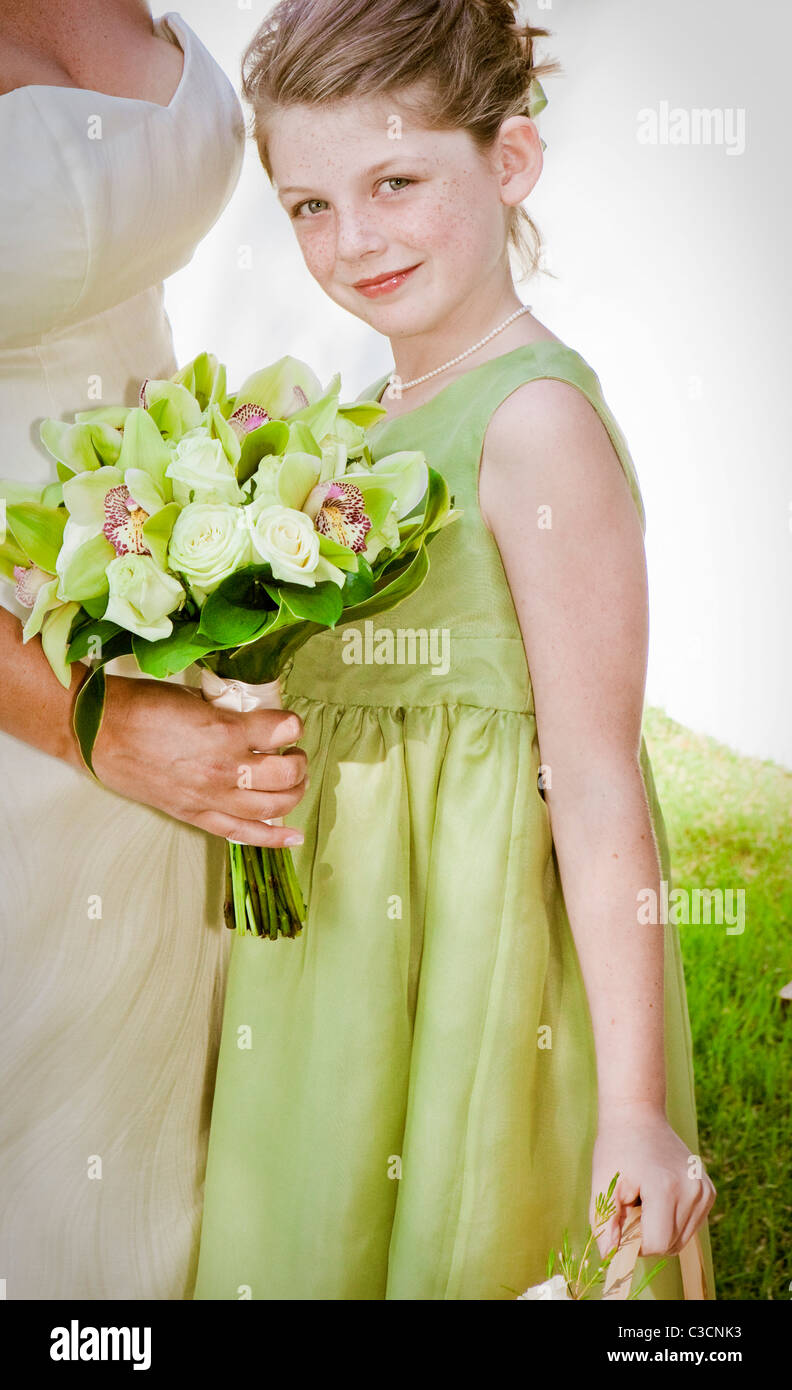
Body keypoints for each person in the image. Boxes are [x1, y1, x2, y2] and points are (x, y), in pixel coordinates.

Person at [193, 0, 717, 1301]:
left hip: (471, 968)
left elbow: (597, 786)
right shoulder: (360, 423)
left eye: (394, 182)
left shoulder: (532, 425)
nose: (351, 238)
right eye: (308, 203)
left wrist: (636, 1108)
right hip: (338, 958)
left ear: (510, 164)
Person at [0, 1, 308, 1300]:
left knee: (142, 1107)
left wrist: (216, 515)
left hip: (161, 581)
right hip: (34, 686)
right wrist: (93, 719)